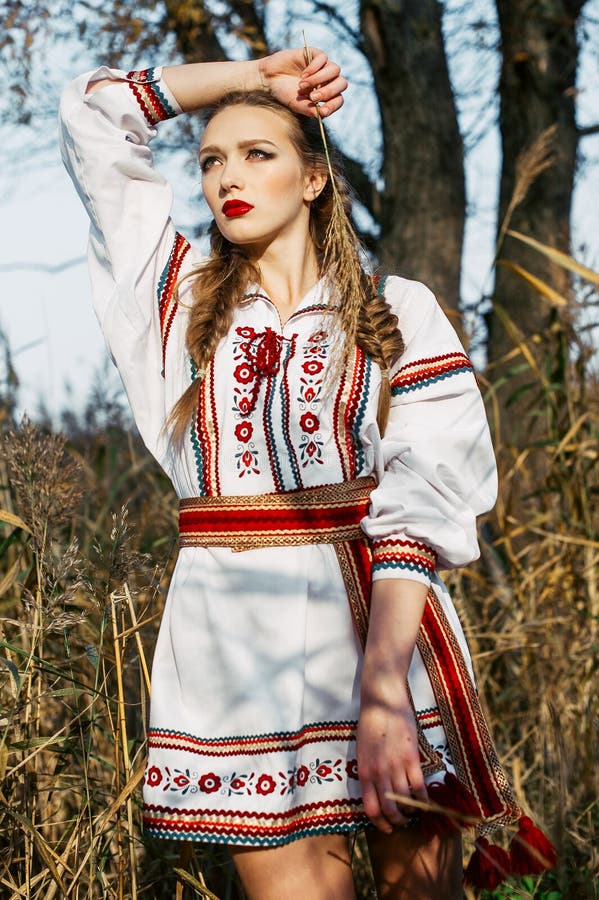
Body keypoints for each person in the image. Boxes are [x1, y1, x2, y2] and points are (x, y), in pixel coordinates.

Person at [59, 47, 554, 899]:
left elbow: (422, 499)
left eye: (259, 153)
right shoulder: (170, 300)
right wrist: (254, 73)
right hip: (231, 632)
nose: (226, 178)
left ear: (315, 178)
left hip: (378, 625)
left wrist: (383, 694)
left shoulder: (395, 309)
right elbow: (95, 117)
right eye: (211, 159)